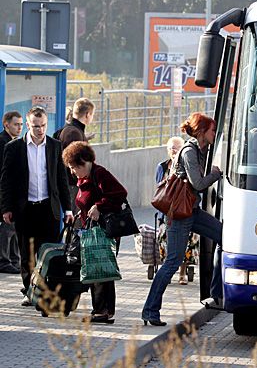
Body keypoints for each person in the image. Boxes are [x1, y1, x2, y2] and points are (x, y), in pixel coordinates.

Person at [142, 112, 223, 326]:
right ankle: (150, 310)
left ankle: (217, 294)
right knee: (172, 262)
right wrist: (216, 173)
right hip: (178, 215)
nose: (215, 133)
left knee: (225, 237)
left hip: (191, 211)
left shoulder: (201, 149)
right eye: (213, 130)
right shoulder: (189, 151)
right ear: (202, 132)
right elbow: (197, 183)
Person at [0, 106, 74, 306]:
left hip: (48, 209)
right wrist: (5, 208)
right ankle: (28, 290)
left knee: (48, 252)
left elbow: (61, 179)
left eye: (42, 126)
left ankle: (46, 292)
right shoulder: (14, 148)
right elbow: (6, 180)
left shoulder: (54, 146)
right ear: (27, 124)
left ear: (46, 124)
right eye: (35, 126)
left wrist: (68, 209)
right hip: (25, 209)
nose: (39, 130)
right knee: (27, 253)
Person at [62, 141, 127, 324]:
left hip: (104, 231)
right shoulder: (84, 178)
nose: (72, 172)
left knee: (99, 270)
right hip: (90, 230)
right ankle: (103, 310)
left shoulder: (100, 174)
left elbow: (120, 193)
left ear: (84, 162)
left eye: (74, 167)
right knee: (98, 269)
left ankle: (102, 311)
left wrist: (99, 206)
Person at [155, 136, 191, 285]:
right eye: (170, 148)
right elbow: (158, 187)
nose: (173, 151)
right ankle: (167, 272)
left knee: (188, 242)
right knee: (166, 242)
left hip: (184, 209)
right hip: (167, 211)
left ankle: (182, 273)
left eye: (176, 148)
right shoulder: (162, 167)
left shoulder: (187, 164)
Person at [58, 98, 96, 213]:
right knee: (76, 224)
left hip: (71, 184)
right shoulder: (74, 133)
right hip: (73, 186)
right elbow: (75, 162)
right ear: (87, 114)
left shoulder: (71, 130)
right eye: (92, 114)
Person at [0, 111, 23, 274]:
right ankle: (4, 260)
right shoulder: (3, 142)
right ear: (6, 124)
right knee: (7, 227)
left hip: (14, 192)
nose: (19, 127)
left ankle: (14, 259)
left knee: (14, 227)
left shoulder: (14, 141)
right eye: (16, 124)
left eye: (21, 124)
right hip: (6, 192)